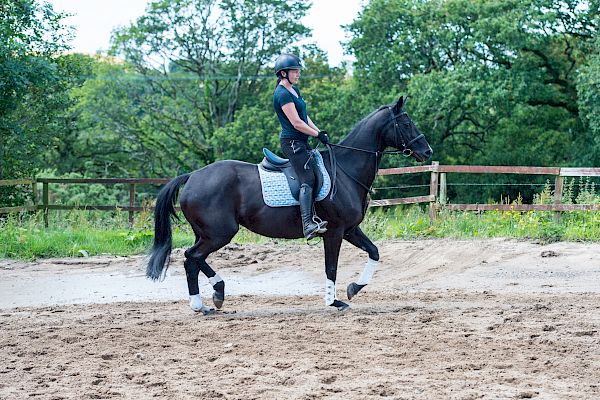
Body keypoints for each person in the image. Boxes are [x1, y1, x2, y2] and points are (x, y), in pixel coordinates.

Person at [272, 53, 329, 239]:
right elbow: (296, 123)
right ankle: (307, 224)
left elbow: (305, 117)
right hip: (292, 143)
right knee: (308, 178)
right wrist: (316, 134)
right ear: (283, 73)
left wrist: (319, 131)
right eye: (295, 71)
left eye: (298, 71)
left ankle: (318, 216)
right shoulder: (282, 94)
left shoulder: (294, 90)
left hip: (302, 141)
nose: (298, 74)